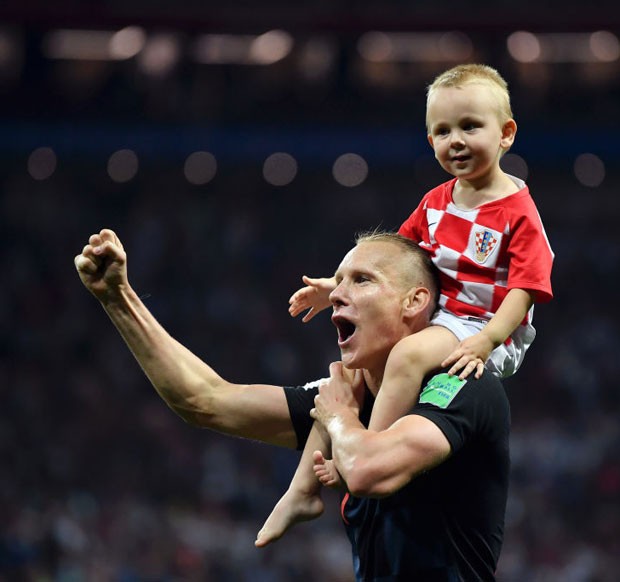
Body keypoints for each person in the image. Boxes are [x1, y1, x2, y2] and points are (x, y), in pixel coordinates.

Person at [75, 228, 511, 580]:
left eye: (362, 280)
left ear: (414, 302)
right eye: (338, 281)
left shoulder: (462, 384)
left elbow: (366, 469)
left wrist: (338, 416)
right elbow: (205, 400)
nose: (338, 294)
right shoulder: (348, 396)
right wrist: (118, 299)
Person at [255, 63, 554, 547]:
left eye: (470, 126)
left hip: (486, 325)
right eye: (441, 131)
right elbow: (392, 259)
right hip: (442, 316)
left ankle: (365, 457)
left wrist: (486, 340)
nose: (455, 140)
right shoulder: (437, 200)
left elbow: (526, 290)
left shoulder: (519, 212)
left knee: (405, 355)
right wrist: (334, 287)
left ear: (506, 134)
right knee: (350, 369)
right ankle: (301, 490)